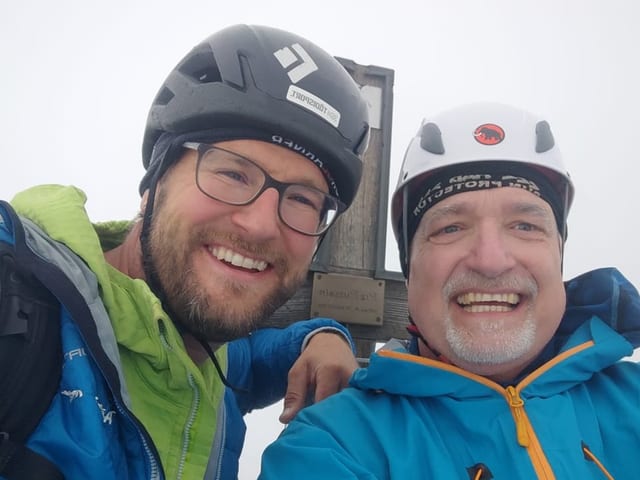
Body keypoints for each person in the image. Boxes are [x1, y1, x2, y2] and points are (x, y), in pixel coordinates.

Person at [0, 24, 370, 479]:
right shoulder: (18, 298)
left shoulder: (214, 354)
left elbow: (258, 354)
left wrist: (323, 337)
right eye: (233, 174)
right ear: (154, 182)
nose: (260, 225)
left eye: (301, 199)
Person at [259, 102, 640, 479]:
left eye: (525, 226)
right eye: (450, 228)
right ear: (410, 270)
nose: (491, 260)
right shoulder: (335, 446)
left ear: (558, 254)